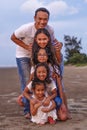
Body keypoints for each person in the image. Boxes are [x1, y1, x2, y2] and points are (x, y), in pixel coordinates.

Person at [10, 7, 62, 118]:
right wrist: (26, 47)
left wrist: (59, 48)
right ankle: (27, 110)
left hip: (40, 57)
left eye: (45, 19)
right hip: (23, 55)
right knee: (27, 81)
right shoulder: (25, 28)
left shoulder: (50, 29)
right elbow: (13, 37)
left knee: (43, 79)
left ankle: (51, 106)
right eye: (40, 19)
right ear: (35, 18)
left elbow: (52, 44)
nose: (43, 21)